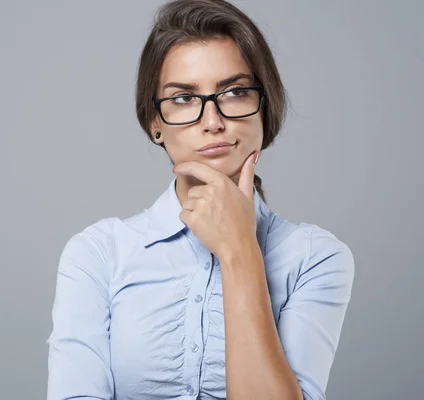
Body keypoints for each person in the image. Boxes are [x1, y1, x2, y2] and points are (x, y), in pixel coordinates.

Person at [46, 0, 355, 399]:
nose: (213, 122)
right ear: (155, 124)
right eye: (183, 99)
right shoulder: (98, 255)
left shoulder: (316, 257)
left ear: (265, 107)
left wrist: (239, 251)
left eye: (236, 91)